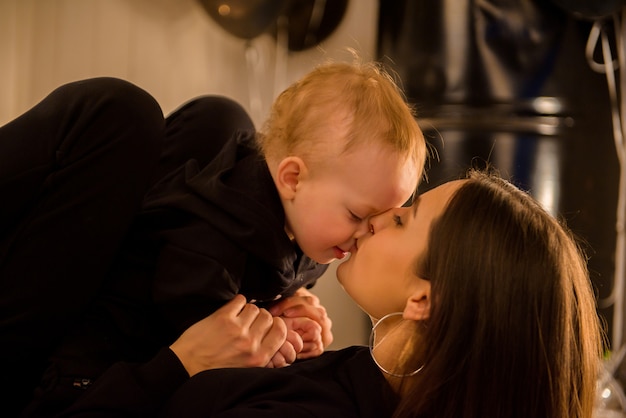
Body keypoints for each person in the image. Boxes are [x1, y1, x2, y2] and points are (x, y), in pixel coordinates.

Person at [0, 59, 426, 416]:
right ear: (292, 177)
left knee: (211, 118)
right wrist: (270, 331)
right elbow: (195, 313)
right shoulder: (213, 242)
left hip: (95, 364)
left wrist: (283, 311)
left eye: (389, 218)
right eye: (359, 215)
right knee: (212, 116)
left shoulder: (311, 230)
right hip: (92, 349)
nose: (365, 233)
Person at [56, 168, 604, 417]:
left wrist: (181, 364)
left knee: (115, 117)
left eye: (403, 220)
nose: (379, 216)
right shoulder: (354, 380)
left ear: (423, 300)